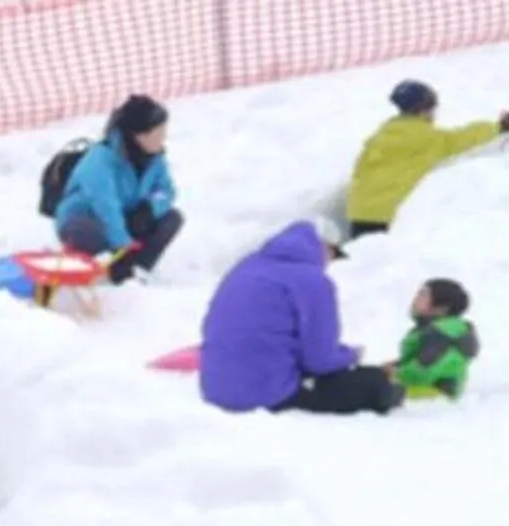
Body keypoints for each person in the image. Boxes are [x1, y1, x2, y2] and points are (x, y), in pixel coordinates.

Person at [198, 221, 402, 416]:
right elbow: (320, 360)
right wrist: (351, 355)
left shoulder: (247, 265)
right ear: (324, 247)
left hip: (215, 388)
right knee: (374, 383)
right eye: (333, 255)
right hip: (267, 393)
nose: (330, 263)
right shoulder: (313, 281)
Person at [346, 81, 509, 237]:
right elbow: (462, 138)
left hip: (358, 211)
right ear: (422, 109)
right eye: (432, 108)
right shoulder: (427, 138)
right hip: (386, 216)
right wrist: (499, 127)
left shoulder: (382, 134)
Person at [53, 94, 182, 285]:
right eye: (159, 132)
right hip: (88, 218)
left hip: (125, 216)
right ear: (139, 135)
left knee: (171, 218)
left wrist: (149, 209)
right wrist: (123, 245)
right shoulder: (100, 161)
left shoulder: (155, 158)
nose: (163, 137)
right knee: (90, 232)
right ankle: (101, 271)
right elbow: (106, 206)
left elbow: (166, 191)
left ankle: (136, 271)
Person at [394, 276, 479, 400]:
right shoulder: (437, 329)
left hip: (432, 394)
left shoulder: (442, 333)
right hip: (429, 392)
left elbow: (423, 370)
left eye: (423, 295)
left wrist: (394, 374)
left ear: (441, 308)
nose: (415, 299)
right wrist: (397, 365)